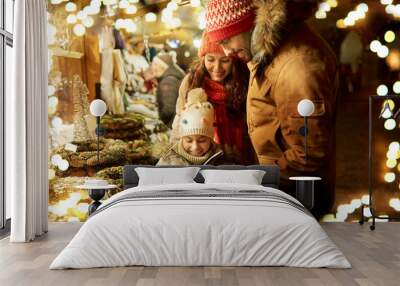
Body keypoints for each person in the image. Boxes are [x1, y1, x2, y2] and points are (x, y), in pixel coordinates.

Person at [205, 0, 338, 218]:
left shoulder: (296, 65)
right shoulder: (270, 51)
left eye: (227, 40)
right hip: (283, 191)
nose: (226, 52)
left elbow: (307, 154)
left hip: (297, 199)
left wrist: (256, 179)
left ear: (249, 26)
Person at [172, 31, 254, 165]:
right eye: (210, 59)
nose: (217, 68)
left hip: (241, 157)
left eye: (225, 60)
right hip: (202, 159)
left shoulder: (244, 82)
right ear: (203, 58)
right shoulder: (192, 82)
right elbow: (179, 123)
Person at [157, 88, 224, 166]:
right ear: (181, 138)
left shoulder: (222, 161)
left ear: (211, 138)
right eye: (189, 140)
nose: (195, 147)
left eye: (202, 140)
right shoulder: (168, 162)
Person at [152, 52, 186, 128]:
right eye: (153, 64)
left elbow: (168, 110)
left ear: (164, 66)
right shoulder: (172, 77)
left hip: (172, 125)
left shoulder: (168, 81)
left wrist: (160, 121)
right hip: (178, 123)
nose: (153, 68)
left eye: (156, 65)